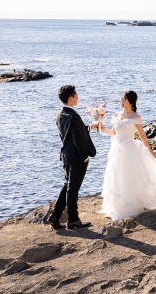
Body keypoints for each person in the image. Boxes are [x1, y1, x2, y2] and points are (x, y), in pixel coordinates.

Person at [98, 90, 156, 220]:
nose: (122, 101)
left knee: (131, 176)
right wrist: (101, 127)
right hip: (117, 149)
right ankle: (117, 206)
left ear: (131, 102)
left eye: (125, 99)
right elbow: (113, 133)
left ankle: (133, 204)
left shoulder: (135, 117)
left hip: (130, 149)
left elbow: (142, 135)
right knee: (117, 175)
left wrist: (149, 149)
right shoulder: (116, 115)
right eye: (121, 98)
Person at [44, 85, 98, 230]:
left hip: (66, 156)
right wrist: (85, 156)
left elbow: (70, 133)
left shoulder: (60, 114)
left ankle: (54, 216)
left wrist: (89, 128)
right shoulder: (74, 116)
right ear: (71, 98)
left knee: (68, 185)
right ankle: (73, 219)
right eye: (76, 95)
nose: (78, 97)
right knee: (73, 188)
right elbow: (77, 139)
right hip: (76, 158)